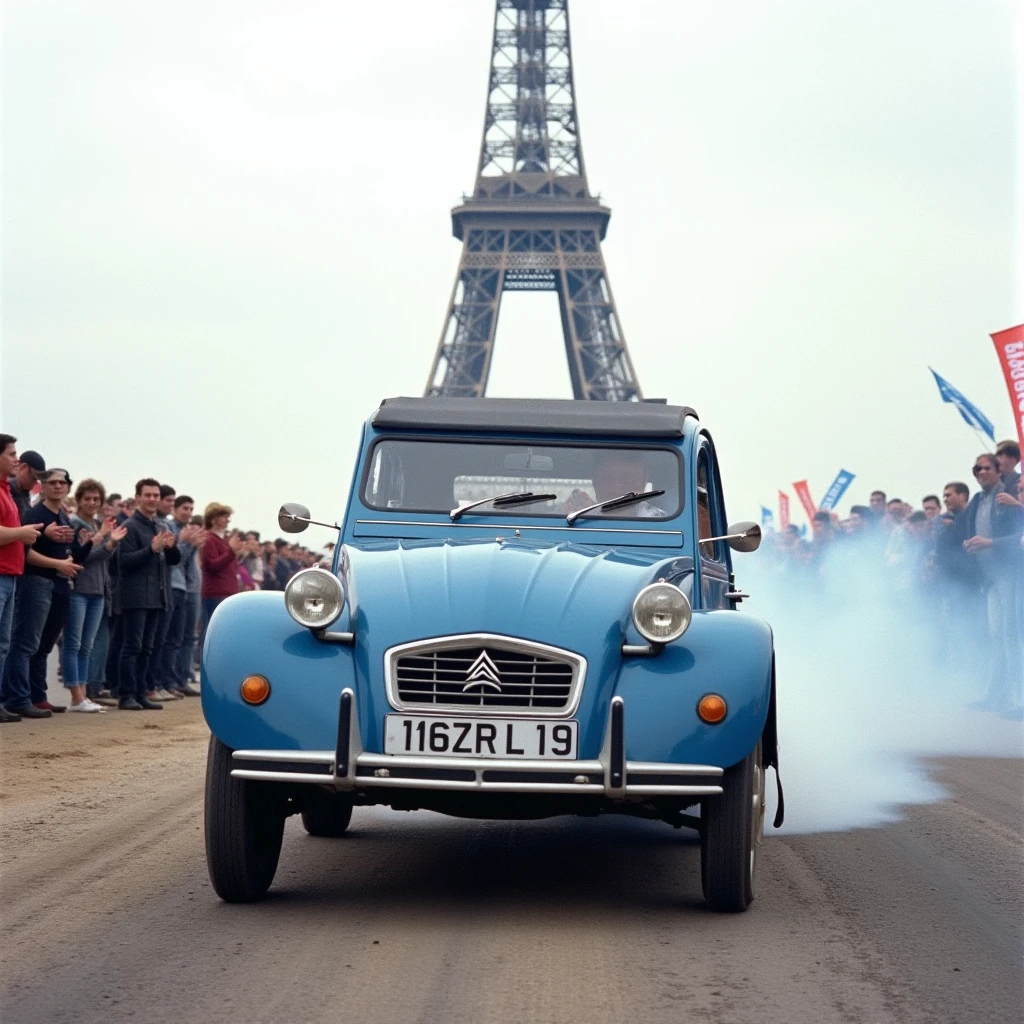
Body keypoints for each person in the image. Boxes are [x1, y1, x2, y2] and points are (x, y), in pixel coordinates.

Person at [0, 469, 86, 718]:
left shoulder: (63, 515)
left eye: (63, 482)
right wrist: (58, 564)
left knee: (43, 645)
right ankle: (18, 698)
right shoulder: (35, 514)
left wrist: (82, 549)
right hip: (36, 582)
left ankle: (38, 696)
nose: (58, 486)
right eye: (53, 482)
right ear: (43, 486)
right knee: (24, 643)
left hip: (59, 584)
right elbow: (26, 553)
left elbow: (69, 552)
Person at [963, 454, 1024, 713]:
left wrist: (991, 543)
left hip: (1009, 575)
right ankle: (996, 694)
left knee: (1011, 637)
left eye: (987, 468)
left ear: (1000, 471)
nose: (981, 472)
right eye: (977, 468)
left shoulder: (1008, 498)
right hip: (989, 578)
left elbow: (1019, 535)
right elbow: (965, 531)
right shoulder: (977, 500)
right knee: (997, 637)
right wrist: (967, 544)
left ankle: (1019, 699)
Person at [117, 479, 180, 711]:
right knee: (132, 646)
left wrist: (172, 547)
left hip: (157, 595)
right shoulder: (131, 526)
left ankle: (141, 692)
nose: (153, 499)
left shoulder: (159, 525)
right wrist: (151, 550)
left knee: (147, 648)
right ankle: (126, 694)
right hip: (135, 595)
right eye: (148, 495)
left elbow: (174, 561)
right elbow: (123, 562)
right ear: (138, 498)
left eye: (156, 495)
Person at [67, 479, 126, 711]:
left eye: (96, 499)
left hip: (98, 590)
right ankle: (76, 696)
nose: (92, 503)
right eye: (87, 499)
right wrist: (106, 542)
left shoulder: (98, 525)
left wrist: (109, 544)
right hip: (79, 589)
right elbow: (83, 557)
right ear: (79, 500)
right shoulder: (75, 524)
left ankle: (83, 694)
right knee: (74, 643)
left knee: (86, 646)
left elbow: (102, 559)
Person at [0, 436, 45, 723]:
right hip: (3, 574)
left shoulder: (6, 489)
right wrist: (21, 533)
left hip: (10, 575)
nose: (15, 459)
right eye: (11, 453)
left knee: (4, 644)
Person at [162, 495, 204, 697]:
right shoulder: (171, 528)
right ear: (175, 509)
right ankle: (169, 680)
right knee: (172, 638)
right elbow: (176, 560)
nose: (188, 512)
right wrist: (187, 544)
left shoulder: (188, 531)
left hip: (190, 588)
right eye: (184, 508)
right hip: (176, 586)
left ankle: (181, 678)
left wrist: (192, 544)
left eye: (191, 509)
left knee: (187, 637)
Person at [200, 503, 243, 639]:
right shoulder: (209, 539)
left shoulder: (223, 540)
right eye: (224, 516)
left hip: (228, 593)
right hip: (215, 594)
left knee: (224, 634)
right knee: (212, 634)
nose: (227, 520)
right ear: (213, 519)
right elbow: (212, 565)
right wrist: (231, 552)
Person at [8, 449, 46, 520]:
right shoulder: (7, 491)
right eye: (34, 478)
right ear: (23, 468)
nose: (35, 483)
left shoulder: (23, 493)